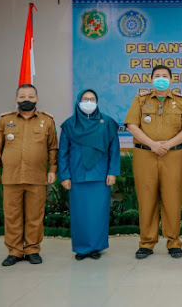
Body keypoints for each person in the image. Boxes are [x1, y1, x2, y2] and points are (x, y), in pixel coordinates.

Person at [124, 65, 182, 259]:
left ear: (171, 80)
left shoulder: (181, 102)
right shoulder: (140, 100)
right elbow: (132, 125)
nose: (161, 79)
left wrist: (168, 145)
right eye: (157, 76)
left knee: (172, 199)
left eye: (165, 76)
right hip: (145, 155)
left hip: (173, 156)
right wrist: (153, 145)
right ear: (151, 79)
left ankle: (173, 242)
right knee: (146, 198)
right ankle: (147, 243)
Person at [0, 84, 58, 266]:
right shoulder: (5, 120)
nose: (26, 99)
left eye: (30, 96)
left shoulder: (47, 121)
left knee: (35, 216)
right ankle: (15, 251)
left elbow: (52, 148)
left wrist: (52, 170)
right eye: (22, 96)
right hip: (12, 177)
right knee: (12, 216)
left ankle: (32, 249)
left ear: (37, 99)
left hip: (36, 177)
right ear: (16, 100)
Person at [58, 89, 120, 260]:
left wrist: (112, 172)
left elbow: (114, 150)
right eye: (85, 99)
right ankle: (81, 248)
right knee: (80, 214)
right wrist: (64, 176)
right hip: (77, 176)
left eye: (92, 99)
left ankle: (96, 248)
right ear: (78, 102)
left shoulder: (107, 123)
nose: (89, 102)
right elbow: (63, 152)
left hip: (100, 176)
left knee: (98, 214)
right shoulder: (69, 125)